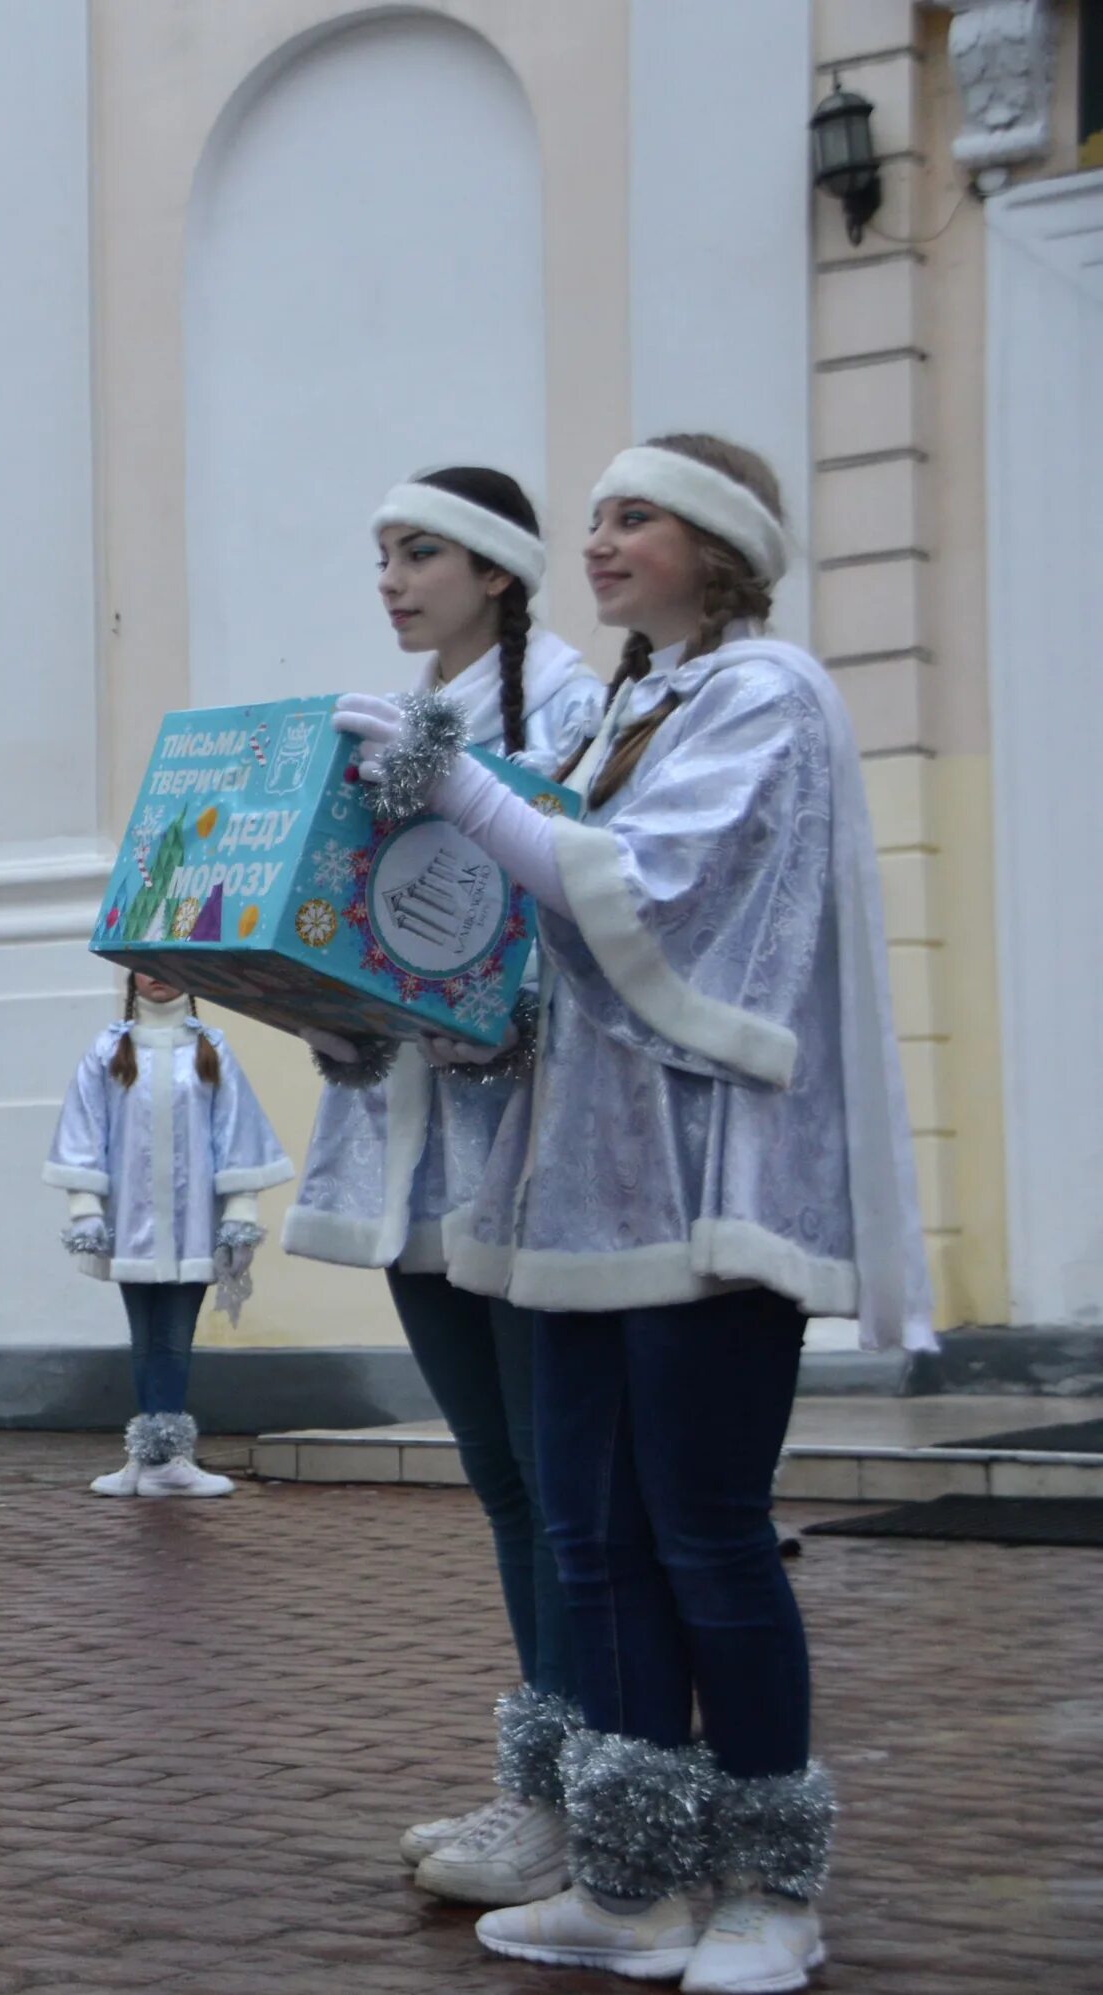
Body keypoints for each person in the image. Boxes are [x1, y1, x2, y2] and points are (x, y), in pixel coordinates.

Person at [336, 434, 934, 1993]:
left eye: (633, 516)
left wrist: (455, 786)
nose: (596, 541)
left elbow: (650, 897)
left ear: (719, 545)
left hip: (706, 1179)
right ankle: (635, 1877)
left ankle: (766, 1889)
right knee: (593, 1539)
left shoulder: (764, 692)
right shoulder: (646, 709)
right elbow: (534, 944)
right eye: (594, 516)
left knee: (708, 1536)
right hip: (577, 1183)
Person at [284, 468, 605, 1906]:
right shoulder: (375, 730)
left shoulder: (578, 715)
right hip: (419, 1150)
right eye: (383, 555)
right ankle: (545, 1780)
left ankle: (601, 1785)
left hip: (528, 1148)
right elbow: (373, 928)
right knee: (500, 1479)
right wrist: (322, 1003)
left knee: (562, 1481)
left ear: (498, 570)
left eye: (421, 552)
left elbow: (581, 923)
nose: (393, 579)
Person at [45, 971, 290, 1497]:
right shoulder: (110, 1051)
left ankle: (167, 1459)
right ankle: (149, 1459)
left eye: (170, 964)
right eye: (145, 964)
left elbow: (237, 1133)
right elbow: (83, 1130)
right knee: (144, 1340)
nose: (158, 976)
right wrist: (86, 1208)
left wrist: (240, 1212)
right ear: (131, 976)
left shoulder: (210, 1050)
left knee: (173, 1341)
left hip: (191, 1227)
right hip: (133, 1225)